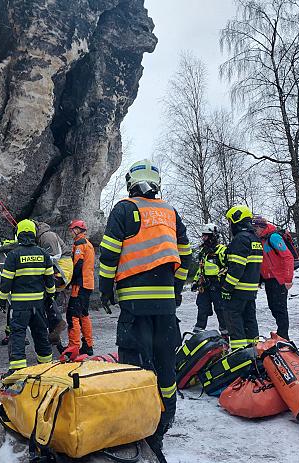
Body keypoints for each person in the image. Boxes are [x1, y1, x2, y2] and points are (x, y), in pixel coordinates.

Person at [98, 159, 191, 463]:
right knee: (166, 370)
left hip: (135, 308)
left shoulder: (124, 209)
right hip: (165, 310)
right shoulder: (170, 212)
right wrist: (175, 290)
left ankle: (140, 434)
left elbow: (110, 252)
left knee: (136, 370)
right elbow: (186, 257)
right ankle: (160, 430)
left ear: (130, 182)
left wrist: (105, 287)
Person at [0, 220, 55, 376]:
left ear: (18, 234)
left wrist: (0, 300)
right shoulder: (43, 254)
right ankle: (46, 365)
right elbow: (50, 281)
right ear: (33, 234)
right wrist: (51, 296)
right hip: (38, 305)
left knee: (18, 334)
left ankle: (18, 368)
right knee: (41, 332)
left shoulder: (13, 255)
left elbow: (6, 282)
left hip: (20, 306)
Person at [221, 205, 264, 351]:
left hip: (238, 290)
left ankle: (240, 356)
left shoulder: (240, 239)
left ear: (236, 220)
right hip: (250, 291)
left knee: (234, 322)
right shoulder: (255, 239)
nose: (230, 226)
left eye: (230, 222)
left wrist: (227, 287)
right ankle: (254, 351)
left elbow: (237, 267)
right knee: (250, 321)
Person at [252, 216, 295, 340]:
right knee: (273, 307)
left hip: (279, 279)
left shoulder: (273, 237)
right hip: (269, 279)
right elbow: (263, 262)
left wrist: (288, 279)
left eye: (255, 228)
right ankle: (281, 333)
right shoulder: (261, 240)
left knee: (280, 308)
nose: (254, 231)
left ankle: (283, 336)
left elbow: (288, 257)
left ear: (261, 227)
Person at [34, 221, 71, 344]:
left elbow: (52, 257)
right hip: (60, 267)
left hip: (61, 268)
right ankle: (54, 332)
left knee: (44, 292)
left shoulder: (46, 236)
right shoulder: (41, 236)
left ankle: (57, 322)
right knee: (47, 297)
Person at [63, 219, 95, 357]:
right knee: (84, 314)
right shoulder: (89, 244)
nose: (71, 232)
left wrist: (69, 281)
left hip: (80, 285)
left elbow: (78, 264)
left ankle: (73, 347)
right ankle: (88, 345)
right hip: (88, 284)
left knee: (73, 316)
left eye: (72, 230)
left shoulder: (79, 244)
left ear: (77, 230)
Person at [191, 223, 228, 333]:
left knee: (220, 310)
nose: (204, 238)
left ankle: (225, 332)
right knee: (202, 307)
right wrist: (195, 281)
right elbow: (200, 268)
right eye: (203, 235)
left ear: (213, 236)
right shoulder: (203, 252)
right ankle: (198, 331)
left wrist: (219, 279)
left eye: (206, 235)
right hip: (204, 285)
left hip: (217, 286)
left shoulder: (221, 250)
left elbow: (228, 267)